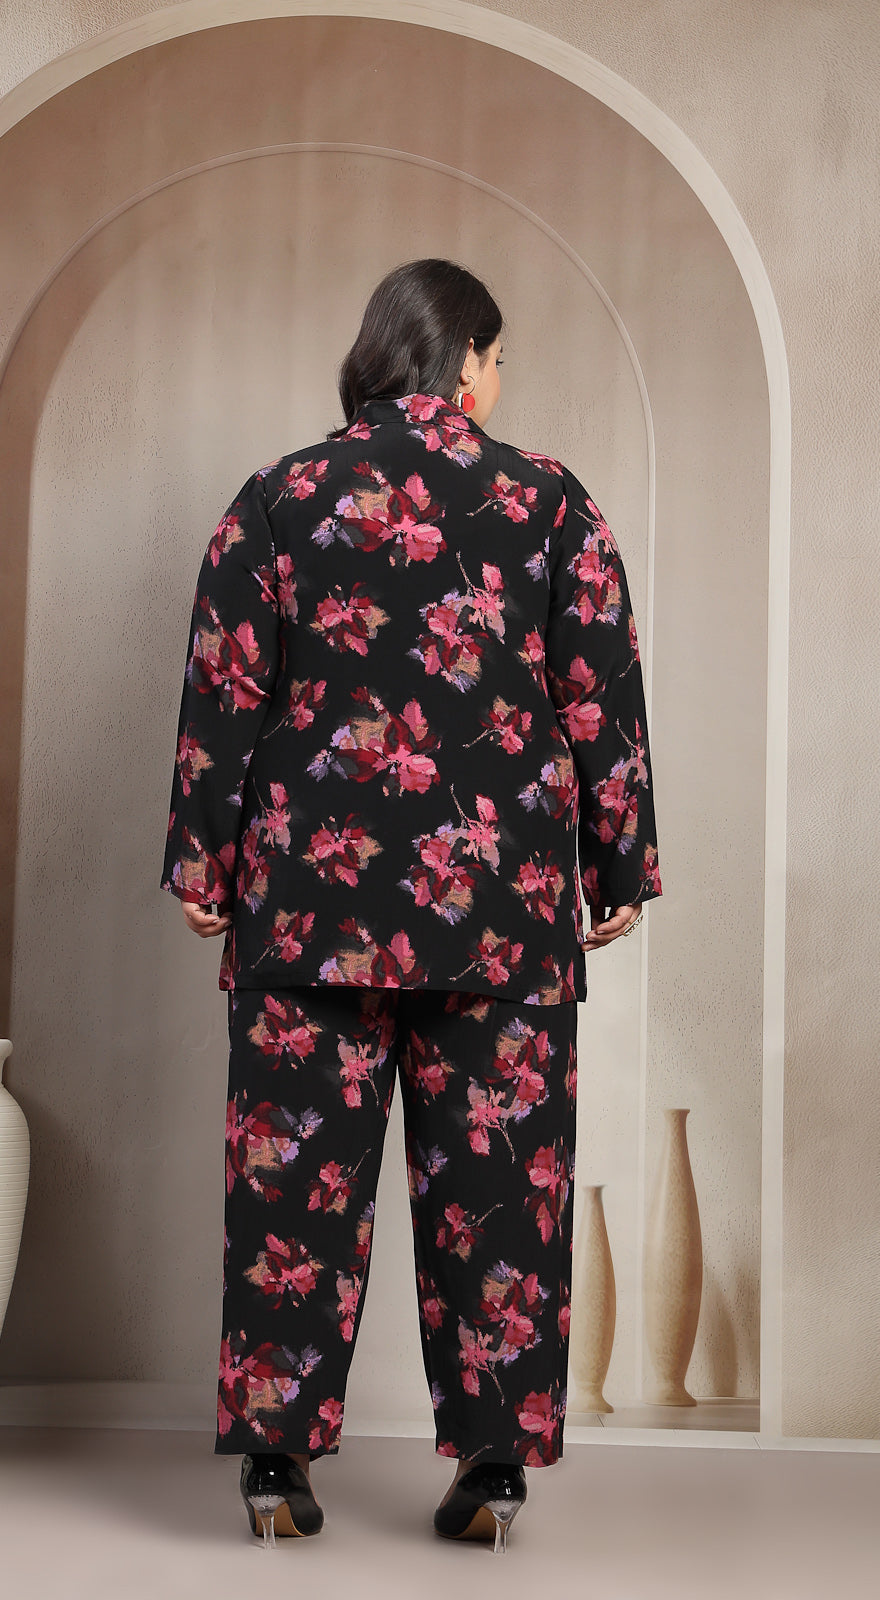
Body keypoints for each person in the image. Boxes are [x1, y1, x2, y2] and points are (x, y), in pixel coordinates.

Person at [161, 258, 663, 1553]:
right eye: (499, 359)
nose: (501, 382)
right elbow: (599, 692)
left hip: (309, 905)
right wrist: (617, 865)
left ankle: (276, 1467)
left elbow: (226, 684)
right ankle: (492, 1475)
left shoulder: (280, 496)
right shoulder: (550, 502)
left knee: (292, 1192)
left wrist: (205, 862)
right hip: (500, 909)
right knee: (500, 1188)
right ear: (468, 360)